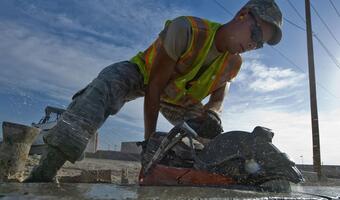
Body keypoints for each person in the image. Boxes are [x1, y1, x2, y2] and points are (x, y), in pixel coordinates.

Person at [25, 0, 282, 182]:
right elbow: (155, 85)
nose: (252, 44)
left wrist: (213, 113)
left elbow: (220, 92)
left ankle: (203, 178)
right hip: (144, 75)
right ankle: (44, 171)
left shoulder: (234, 62)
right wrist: (149, 143)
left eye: (260, 44)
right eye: (256, 33)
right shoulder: (188, 30)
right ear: (242, 14)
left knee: (211, 143)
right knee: (106, 85)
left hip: (181, 100)